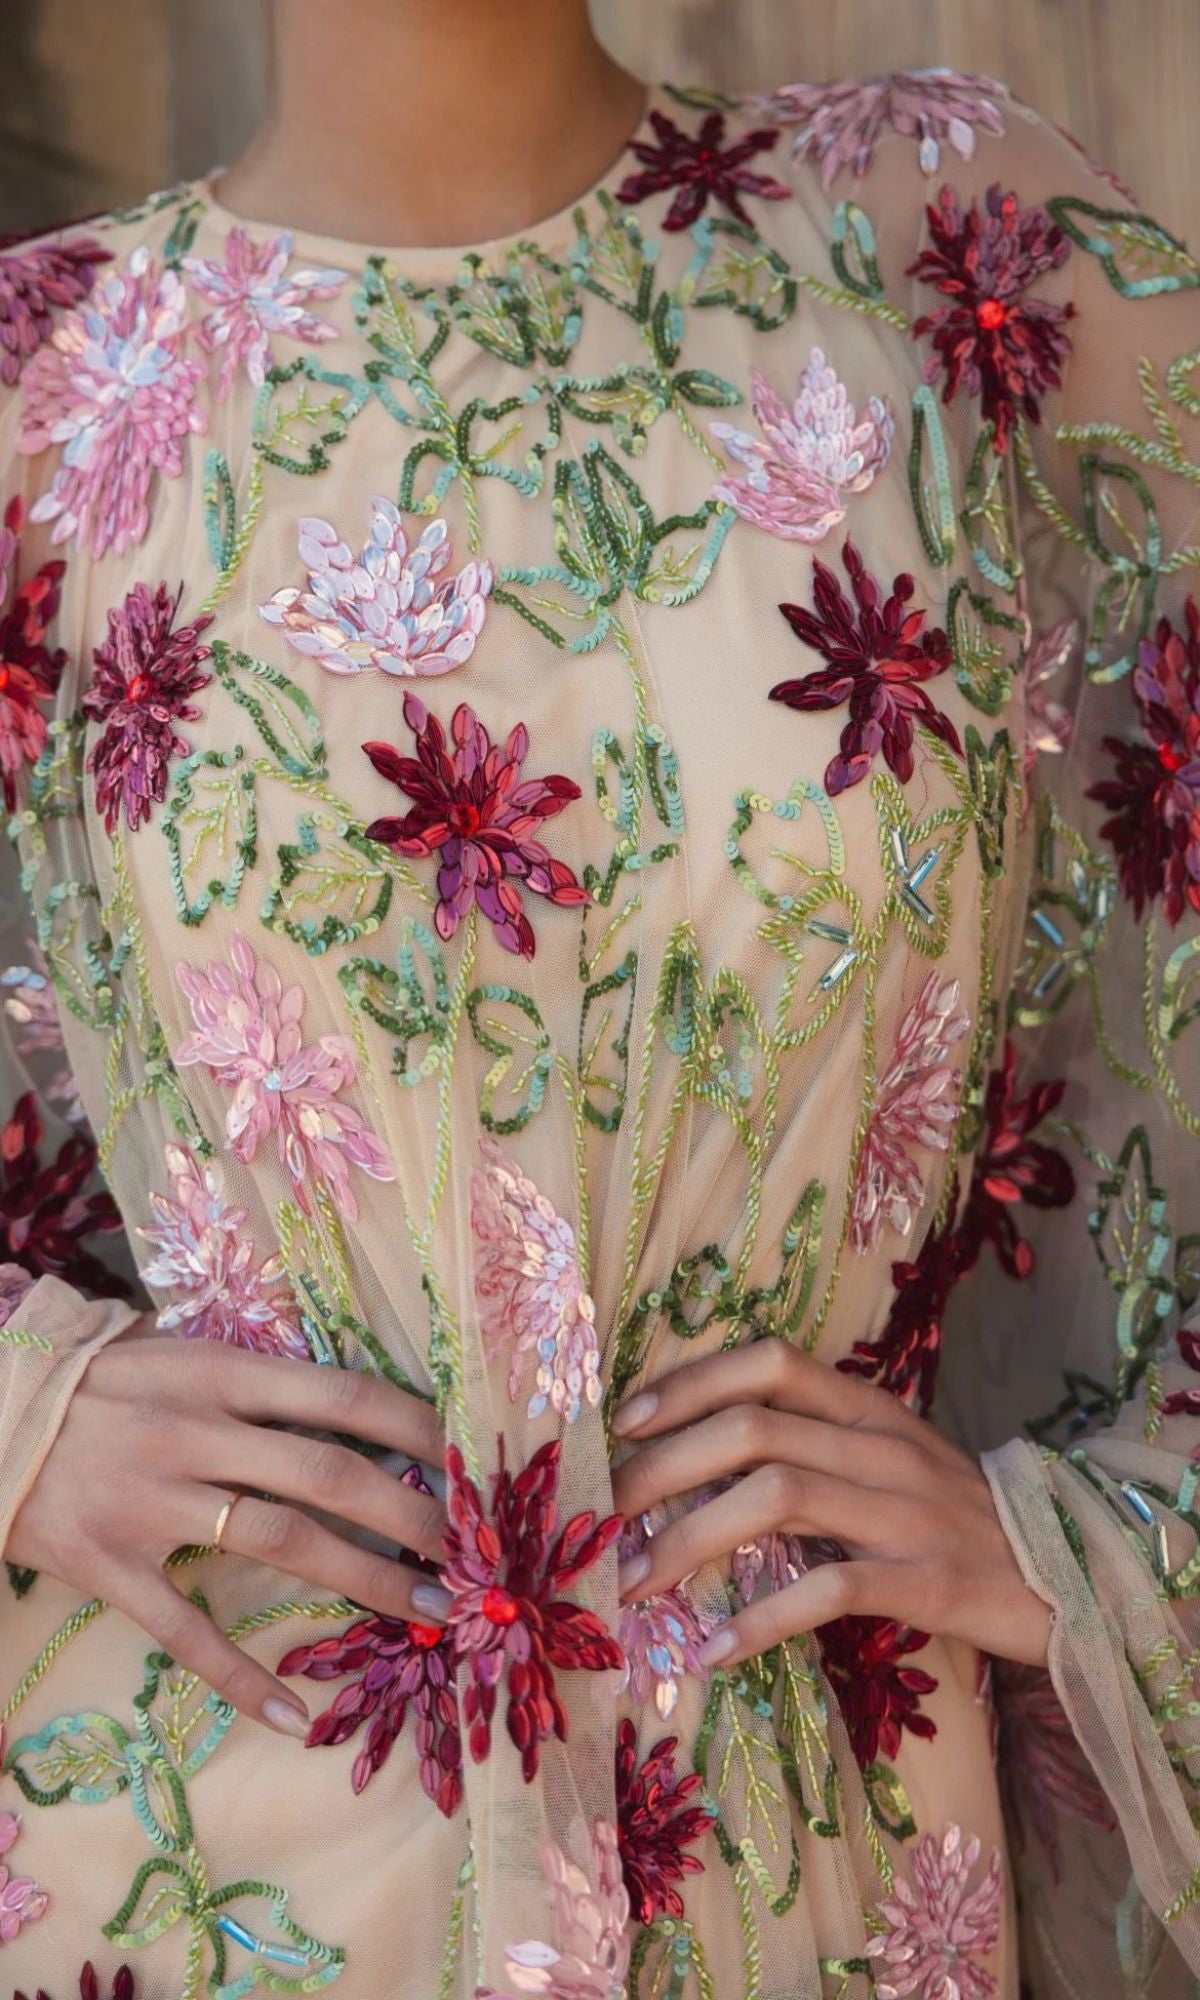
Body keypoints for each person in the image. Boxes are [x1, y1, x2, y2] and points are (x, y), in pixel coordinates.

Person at [0, 1, 1196, 1993]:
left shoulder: (940, 245)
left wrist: (1082, 1551)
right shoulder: (48, 384)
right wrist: (23, 1414)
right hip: (195, 1850)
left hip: (812, 1837)